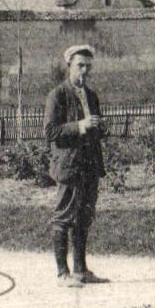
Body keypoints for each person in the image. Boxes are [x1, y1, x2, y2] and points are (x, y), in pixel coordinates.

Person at [44, 44, 108, 287]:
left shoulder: (91, 95)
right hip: (69, 166)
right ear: (68, 65)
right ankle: (63, 274)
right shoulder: (58, 95)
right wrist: (81, 125)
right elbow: (51, 132)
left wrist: (99, 128)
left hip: (89, 166)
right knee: (63, 217)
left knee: (84, 218)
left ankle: (81, 271)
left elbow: (93, 127)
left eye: (88, 66)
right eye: (80, 65)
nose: (85, 70)